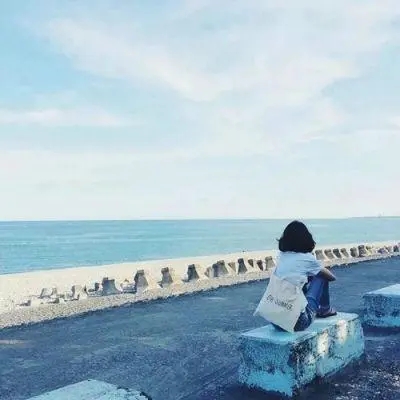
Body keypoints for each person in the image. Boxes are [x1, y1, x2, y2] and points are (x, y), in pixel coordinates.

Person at [273, 220, 337, 331]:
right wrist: (315, 272)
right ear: (306, 239)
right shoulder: (307, 258)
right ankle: (325, 310)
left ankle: (319, 308)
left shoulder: (281, 256)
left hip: (275, 321)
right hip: (297, 323)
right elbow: (331, 277)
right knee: (321, 277)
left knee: (298, 281)